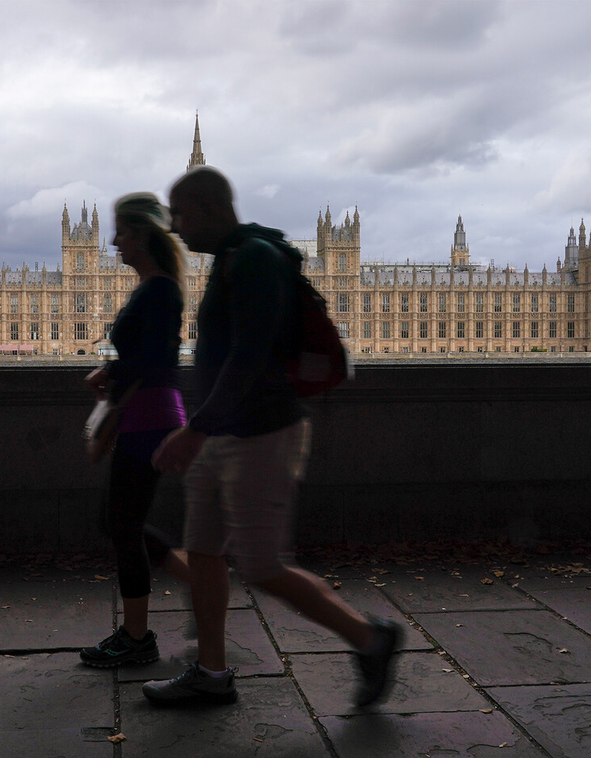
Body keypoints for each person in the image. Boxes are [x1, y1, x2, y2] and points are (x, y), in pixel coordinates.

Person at [144, 166, 398, 706]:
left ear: (211, 209)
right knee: (205, 553)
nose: (176, 230)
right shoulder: (231, 258)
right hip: (221, 433)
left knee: (262, 564)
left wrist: (196, 429)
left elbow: (251, 355)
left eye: (182, 215)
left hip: (259, 432)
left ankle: (371, 638)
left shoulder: (256, 258)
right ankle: (210, 674)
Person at [80, 192, 192, 668]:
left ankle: (138, 635)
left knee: (120, 522)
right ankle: (190, 580)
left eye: (122, 232)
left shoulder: (160, 289)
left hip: (149, 417)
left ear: (142, 236)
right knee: (119, 521)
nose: (113, 241)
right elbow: (145, 353)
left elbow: (155, 360)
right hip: (144, 412)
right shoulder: (152, 285)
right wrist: (112, 367)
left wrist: (117, 380)